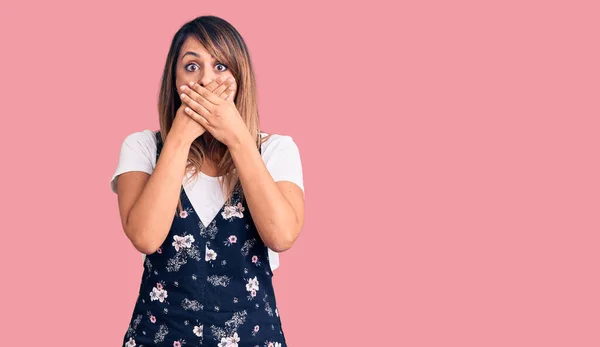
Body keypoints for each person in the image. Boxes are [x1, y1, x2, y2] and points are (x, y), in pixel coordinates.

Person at [110, 15, 305, 347]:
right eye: (191, 66)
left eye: (220, 67)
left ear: (240, 77)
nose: (204, 80)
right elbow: (144, 237)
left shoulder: (276, 150)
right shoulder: (142, 147)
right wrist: (180, 136)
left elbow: (282, 235)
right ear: (174, 79)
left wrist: (238, 138)